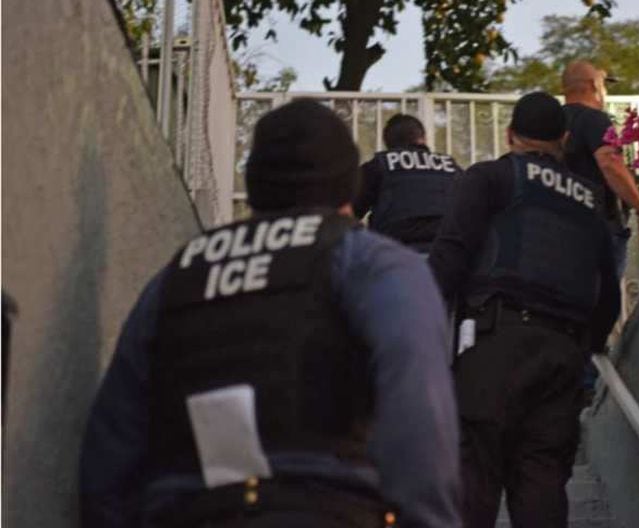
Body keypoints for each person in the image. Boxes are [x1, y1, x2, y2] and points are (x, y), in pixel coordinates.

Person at [79, 100, 461, 528]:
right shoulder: (373, 263)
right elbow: (417, 410)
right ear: (349, 188)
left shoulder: (179, 274)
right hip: (325, 508)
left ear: (255, 183)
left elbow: (110, 448)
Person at [428, 92, 621, 528]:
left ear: (510, 134)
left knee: (474, 474)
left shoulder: (490, 177)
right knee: (542, 479)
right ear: (565, 140)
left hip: (494, 342)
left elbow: (450, 256)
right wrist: (585, 348)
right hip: (562, 355)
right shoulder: (591, 201)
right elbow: (608, 294)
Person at [562, 60, 639, 277]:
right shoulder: (595, 119)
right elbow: (610, 163)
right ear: (594, 85)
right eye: (604, 85)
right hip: (597, 229)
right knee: (602, 295)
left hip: (559, 229)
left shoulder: (552, 122)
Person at [354, 114, 460, 253]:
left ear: (388, 144)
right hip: (449, 254)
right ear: (423, 139)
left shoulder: (379, 165)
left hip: (394, 254)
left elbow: (349, 211)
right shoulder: (452, 167)